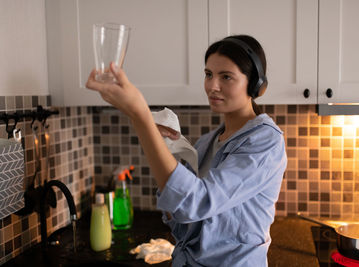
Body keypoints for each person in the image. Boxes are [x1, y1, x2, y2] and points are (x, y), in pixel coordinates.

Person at [86, 35, 287, 267]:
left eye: (226, 76)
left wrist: (141, 117)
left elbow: (196, 202)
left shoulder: (265, 141)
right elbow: (180, 216)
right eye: (208, 74)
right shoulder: (206, 142)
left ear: (255, 85)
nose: (212, 86)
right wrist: (147, 129)